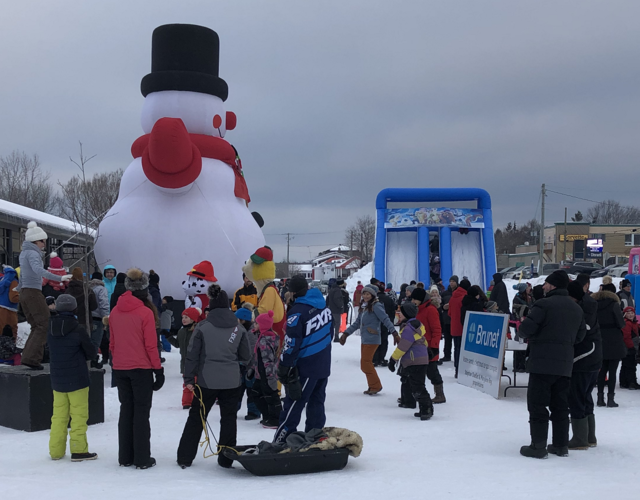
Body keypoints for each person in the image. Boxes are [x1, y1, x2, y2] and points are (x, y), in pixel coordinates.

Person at [177, 283, 250, 469]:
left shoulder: (202, 327)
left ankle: (185, 457)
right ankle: (226, 459)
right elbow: (246, 357)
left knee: (197, 417)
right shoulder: (238, 328)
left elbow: (192, 355)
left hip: (206, 380)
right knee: (229, 419)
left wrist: (188, 379)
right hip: (232, 381)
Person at [518, 270, 586, 459]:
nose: (544, 287)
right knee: (561, 405)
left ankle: (538, 446)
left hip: (541, 363)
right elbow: (580, 337)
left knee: (538, 405)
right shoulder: (577, 308)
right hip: (565, 365)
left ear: (553, 285)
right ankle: (560, 445)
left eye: (546, 283)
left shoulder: (543, 305)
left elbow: (526, 330)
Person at [109, 268, 164, 469]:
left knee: (126, 410)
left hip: (121, 367)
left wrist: (115, 361)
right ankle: (142, 457)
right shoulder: (145, 312)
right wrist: (158, 370)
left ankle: (125, 456)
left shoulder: (115, 310)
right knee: (141, 413)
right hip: (141, 368)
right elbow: (151, 345)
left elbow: (112, 342)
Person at [274, 275, 332, 445]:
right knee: (316, 403)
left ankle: (281, 442)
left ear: (292, 292)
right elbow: (331, 333)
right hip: (323, 363)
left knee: (294, 404)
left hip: (305, 366)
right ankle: (314, 438)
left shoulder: (297, 312)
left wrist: (284, 365)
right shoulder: (324, 307)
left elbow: (291, 343)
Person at [47, 294, 98, 462]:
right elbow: (90, 352)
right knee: (78, 415)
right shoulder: (78, 329)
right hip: (77, 378)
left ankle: (56, 450)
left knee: (58, 416)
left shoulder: (50, 327)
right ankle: (78, 450)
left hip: (57, 378)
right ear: (75, 309)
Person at [18, 221, 69, 369]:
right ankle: (32, 358)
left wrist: (20, 288)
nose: (44, 244)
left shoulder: (24, 253)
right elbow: (38, 270)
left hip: (25, 292)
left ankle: (28, 356)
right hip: (33, 292)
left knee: (36, 325)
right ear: (35, 241)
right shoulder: (33, 253)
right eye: (42, 241)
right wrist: (60, 277)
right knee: (44, 323)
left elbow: (24, 273)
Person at [340, 285, 398, 395]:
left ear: (372, 295)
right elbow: (357, 323)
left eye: (368, 294)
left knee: (366, 363)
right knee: (365, 363)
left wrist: (394, 333)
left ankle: (375, 386)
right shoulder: (365, 306)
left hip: (373, 337)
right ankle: (373, 385)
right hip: (365, 338)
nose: (366, 296)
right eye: (364, 294)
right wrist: (346, 333)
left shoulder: (376, 306)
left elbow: (385, 319)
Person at [567, 278, 602, 450]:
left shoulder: (583, 309)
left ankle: (580, 438)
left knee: (577, 396)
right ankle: (589, 436)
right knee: (586, 396)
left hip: (584, 358)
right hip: (593, 358)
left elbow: (579, 332)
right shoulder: (589, 304)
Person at [388, 301, 434, 420]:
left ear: (407, 314)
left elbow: (403, 346)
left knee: (418, 387)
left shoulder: (409, 329)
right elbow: (422, 340)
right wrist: (427, 349)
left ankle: (427, 409)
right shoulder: (415, 326)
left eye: (401, 312)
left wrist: (393, 359)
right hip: (418, 360)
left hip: (415, 361)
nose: (399, 314)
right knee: (416, 385)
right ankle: (423, 408)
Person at [593, 283, 626, 408]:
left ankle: (600, 398)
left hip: (599, 338)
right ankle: (611, 399)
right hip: (614, 340)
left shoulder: (594, 304)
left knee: (601, 371)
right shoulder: (614, 305)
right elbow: (621, 323)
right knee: (612, 371)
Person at [411, 287, 445, 404]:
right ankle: (414, 394)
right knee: (416, 372)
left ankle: (440, 394)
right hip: (418, 346)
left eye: (415, 299)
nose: (413, 301)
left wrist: (435, 346)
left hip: (429, 346)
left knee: (431, 371)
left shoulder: (430, 310)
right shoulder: (417, 310)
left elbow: (436, 329)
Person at [250, 311, 281, 428]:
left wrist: (269, 376)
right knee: (256, 393)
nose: (254, 325)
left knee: (270, 395)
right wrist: (253, 369)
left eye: (257, 324)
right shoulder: (264, 337)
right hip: (260, 373)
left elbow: (267, 359)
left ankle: (275, 419)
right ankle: (268, 416)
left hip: (267, 373)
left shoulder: (265, 340)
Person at [168, 307, 201, 409]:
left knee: (198, 384)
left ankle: (199, 401)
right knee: (187, 384)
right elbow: (178, 344)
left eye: (186, 317)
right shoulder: (181, 332)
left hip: (197, 364)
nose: (183, 319)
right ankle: (186, 403)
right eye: (183, 317)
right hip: (185, 364)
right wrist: (168, 336)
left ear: (193, 319)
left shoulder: (198, 332)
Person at [448, 278, 469, 378]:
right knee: (463, 349)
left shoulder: (453, 297)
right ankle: (463, 369)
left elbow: (449, 313)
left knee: (456, 348)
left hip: (454, 326)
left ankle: (457, 369)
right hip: (463, 326)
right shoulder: (465, 297)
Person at [373, 281, 397, 367]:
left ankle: (375, 359)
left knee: (375, 340)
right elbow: (392, 311)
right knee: (384, 340)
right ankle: (381, 358)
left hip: (375, 324)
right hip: (386, 324)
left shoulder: (374, 299)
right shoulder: (389, 299)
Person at [88, 272, 109, 367]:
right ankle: (93, 361)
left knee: (88, 340)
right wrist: (106, 318)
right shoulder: (101, 289)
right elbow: (103, 303)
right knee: (96, 341)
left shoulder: (88, 288)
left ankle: (88, 360)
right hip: (98, 318)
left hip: (88, 318)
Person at [620, 306, 639, 390]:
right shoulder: (627, 323)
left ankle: (624, 382)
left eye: (632, 313)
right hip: (629, 347)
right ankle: (631, 382)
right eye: (628, 313)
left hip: (627, 347)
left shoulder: (633, 323)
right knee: (630, 365)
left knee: (625, 365)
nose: (630, 315)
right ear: (625, 314)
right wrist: (631, 347)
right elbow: (626, 337)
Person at [440, 276, 458, 363]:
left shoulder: (458, 293)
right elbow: (441, 304)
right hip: (447, 319)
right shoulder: (445, 293)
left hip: (456, 319)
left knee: (457, 340)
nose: (451, 283)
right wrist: (443, 307)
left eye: (453, 281)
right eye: (450, 281)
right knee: (447, 339)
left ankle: (458, 356)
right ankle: (447, 355)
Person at [0, 266, 20, 339]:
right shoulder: (14, 282)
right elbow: (13, 298)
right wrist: (22, 297)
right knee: (12, 330)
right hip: (9, 310)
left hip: (1, 307)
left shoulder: (3, 279)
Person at [327, 277, 344, 342]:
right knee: (337, 323)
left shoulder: (331, 289)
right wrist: (341, 305)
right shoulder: (337, 290)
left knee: (332, 323)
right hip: (336, 309)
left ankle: (330, 335)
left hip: (331, 308)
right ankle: (336, 337)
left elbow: (328, 299)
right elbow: (336, 299)